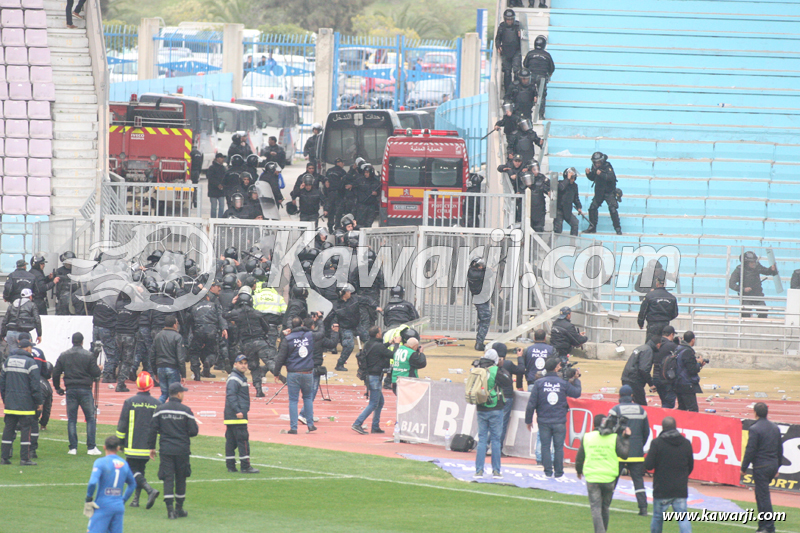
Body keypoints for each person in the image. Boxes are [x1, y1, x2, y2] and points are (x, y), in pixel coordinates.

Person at [147, 383, 198, 520]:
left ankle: (170, 510)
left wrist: (152, 447)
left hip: (166, 449)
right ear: (179, 394)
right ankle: (179, 508)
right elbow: (194, 431)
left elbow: (152, 430)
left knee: (168, 478)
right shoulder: (186, 410)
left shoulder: (160, 409)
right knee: (181, 478)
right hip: (182, 450)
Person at [525, 358, 581, 478]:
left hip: (544, 420)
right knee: (558, 447)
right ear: (556, 368)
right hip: (559, 420)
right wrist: (576, 379)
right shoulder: (563, 383)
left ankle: (548, 472)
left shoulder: (539, 383)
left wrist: (528, 420)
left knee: (545, 446)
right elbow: (576, 393)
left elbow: (531, 404)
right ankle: (559, 472)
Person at [575, 414, 632, 533]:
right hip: (609, 478)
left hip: (593, 477)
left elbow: (580, 457)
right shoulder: (613, 437)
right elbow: (624, 455)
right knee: (605, 507)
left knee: (595, 508)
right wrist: (626, 438)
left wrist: (579, 470)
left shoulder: (587, 437)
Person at [115, 371, 160, 509]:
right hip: (148, 446)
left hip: (132, 445)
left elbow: (122, 424)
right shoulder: (156, 403)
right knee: (140, 471)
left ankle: (149, 490)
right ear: (151, 385)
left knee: (131, 471)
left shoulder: (130, 402)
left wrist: (119, 442)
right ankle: (135, 500)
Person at [225, 292, 283, 397]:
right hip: (260, 341)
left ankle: (258, 390)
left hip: (246, 344)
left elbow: (224, 314)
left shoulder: (236, 313)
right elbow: (266, 327)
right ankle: (278, 373)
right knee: (269, 361)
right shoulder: (257, 313)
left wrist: (231, 304)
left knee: (254, 367)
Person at [53, 332, 102, 455]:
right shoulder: (88, 355)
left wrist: (58, 387)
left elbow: (56, 372)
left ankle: (73, 448)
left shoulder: (64, 355)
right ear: (82, 342)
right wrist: (99, 369)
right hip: (85, 389)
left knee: (72, 419)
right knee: (90, 418)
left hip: (70, 389)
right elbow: (96, 373)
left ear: (72, 341)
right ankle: (91, 447)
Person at [645, 416, 694, 533]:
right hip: (680, 487)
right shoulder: (686, 443)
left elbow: (648, 465)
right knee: (683, 518)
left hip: (662, 487)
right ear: (675, 427)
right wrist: (682, 477)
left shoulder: (657, 443)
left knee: (658, 517)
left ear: (663, 427)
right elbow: (690, 465)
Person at [0, 335, 43, 465]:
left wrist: (5, 399)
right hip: (26, 404)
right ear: (27, 348)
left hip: (10, 403)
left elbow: (2, 383)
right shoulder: (30, 362)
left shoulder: (8, 361)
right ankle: (25, 458)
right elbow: (35, 385)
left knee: (8, 430)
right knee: (26, 431)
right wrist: (39, 402)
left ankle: (4, 457)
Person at [741, 402, 783, 533]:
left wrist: (743, 467)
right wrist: (777, 466)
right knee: (761, 496)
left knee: (763, 497)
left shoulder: (755, 428)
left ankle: (768, 526)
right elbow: (780, 449)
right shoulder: (775, 428)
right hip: (772, 464)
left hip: (761, 466)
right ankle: (762, 525)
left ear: (755, 413)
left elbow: (750, 449)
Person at [609, 385, 650, 516]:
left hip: (619, 451)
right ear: (632, 395)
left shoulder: (615, 410)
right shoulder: (641, 410)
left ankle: (605, 505)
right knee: (638, 480)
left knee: (613, 479)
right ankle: (643, 508)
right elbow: (646, 432)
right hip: (637, 452)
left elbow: (609, 430)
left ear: (619, 396)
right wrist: (639, 445)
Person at [84, 436, 136, 533]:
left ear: (104, 447)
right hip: (118, 507)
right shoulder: (124, 463)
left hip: (103, 506)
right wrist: (123, 500)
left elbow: (92, 482)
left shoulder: (100, 462)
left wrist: (88, 499)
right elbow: (132, 484)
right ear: (118, 448)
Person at [274, 317, 317, 435]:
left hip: (293, 372)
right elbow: (321, 334)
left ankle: (294, 427)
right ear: (302, 324)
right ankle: (310, 424)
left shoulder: (288, 339)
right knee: (308, 398)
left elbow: (280, 357)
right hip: (308, 372)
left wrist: (276, 372)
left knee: (293, 400)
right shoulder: (310, 335)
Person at [472, 349, 511, 478]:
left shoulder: (478, 368)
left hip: (481, 407)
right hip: (495, 407)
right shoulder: (496, 370)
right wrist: (501, 366)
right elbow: (507, 382)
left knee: (482, 440)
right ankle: (496, 471)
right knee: (495, 440)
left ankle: (479, 470)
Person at [352, 326, 393, 435]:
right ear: (378, 334)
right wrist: (397, 344)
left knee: (380, 402)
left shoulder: (368, 344)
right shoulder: (378, 346)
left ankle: (375, 426)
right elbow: (392, 354)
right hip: (374, 377)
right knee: (374, 403)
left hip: (369, 376)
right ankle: (357, 423)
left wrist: (389, 343)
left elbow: (380, 348)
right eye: (380, 332)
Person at [224, 355, 259, 473]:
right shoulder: (235, 378)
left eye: (245, 363)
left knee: (231, 442)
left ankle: (230, 466)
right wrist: (238, 410)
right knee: (243, 440)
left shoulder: (237, 377)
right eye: (241, 363)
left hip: (230, 416)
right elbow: (231, 395)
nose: (243, 365)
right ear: (235, 364)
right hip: (237, 415)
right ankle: (245, 466)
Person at [186, 292, 228, 381]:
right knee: (213, 351)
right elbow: (221, 316)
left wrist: (192, 334)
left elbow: (189, 322)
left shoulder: (194, 307)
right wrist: (224, 328)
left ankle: (197, 374)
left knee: (194, 353)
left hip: (198, 332)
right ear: (208, 298)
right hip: (212, 331)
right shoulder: (214, 305)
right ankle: (208, 361)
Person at [729, 251, 778, 318]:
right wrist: (743, 289)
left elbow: (766, 271)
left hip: (757, 294)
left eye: (754, 261)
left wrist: (771, 269)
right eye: (751, 262)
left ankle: (760, 324)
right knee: (745, 313)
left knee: (763, 311)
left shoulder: (757, 266)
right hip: (745, 296)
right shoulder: (739, 270)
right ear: (746, 263)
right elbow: (731, 284)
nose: (754, 263)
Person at [584, 152, 621, 235]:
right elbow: (593, 177)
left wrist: (601, 174)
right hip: (599, 192)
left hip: (609, 192)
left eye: (598, 162)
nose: (597, 164)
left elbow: (611, 177)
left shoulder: (607, 166)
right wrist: (588, 174)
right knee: (592, 208)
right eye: (595, 162)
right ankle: (592, 227)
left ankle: (617, 228)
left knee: (612, 209)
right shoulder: (594, 167)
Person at [152, 315, 186, 404]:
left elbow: (152, 355)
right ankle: (173, 410)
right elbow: (180, 357)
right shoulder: (177, 337)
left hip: (160, 367)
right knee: (174, 395)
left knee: (164, 394)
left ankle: (158, 408)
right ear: (174, 325)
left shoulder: (158, 336)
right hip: (172, 367)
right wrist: (183, 374)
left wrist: (155, 371)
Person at [637, 275, 679, 344]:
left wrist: (640, 323)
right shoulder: (672, 297)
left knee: (650, 345)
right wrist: (666, 318)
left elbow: (643, 311)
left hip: (652, 325)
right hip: (665, 325)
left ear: (656, 284)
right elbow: (675, 313)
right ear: (665, 284)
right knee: (664, 345)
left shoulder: (649, 296)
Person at [621, 336, 660, 406]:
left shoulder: (641, 348)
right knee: (641, 404)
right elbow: (644, 369)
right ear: (658, 344)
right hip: (634, 380)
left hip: (627, 377)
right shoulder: (648, 350)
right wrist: (651, 384)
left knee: (627, 402)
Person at [523, 35, 555, 119]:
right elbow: (552, 68)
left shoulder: (530, 53)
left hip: (531, 76)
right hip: (542, 78)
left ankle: (527, 113)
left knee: (528, 93)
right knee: (542, 96)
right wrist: (548, 74)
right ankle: (541, 115)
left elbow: (525, 65)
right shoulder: (547, 55)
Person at [29, 346, 53, 458]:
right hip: (37, 406)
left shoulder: (30, 380)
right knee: (33, 421)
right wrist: (43, 424)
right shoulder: (47, 386)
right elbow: (47, 408)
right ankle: (32, 450)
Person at [332, 284, 362, 371]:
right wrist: (334, 324)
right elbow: (332, 317)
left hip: (357, 326)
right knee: (349, 345)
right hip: (345, 328)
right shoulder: (336, 305)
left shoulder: (355, 299)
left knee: (370, 341)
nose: (350, 293)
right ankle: (340, 364)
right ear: (342, 293)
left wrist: (375, 306)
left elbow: (366, 300)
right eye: (348, 291)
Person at [674, 331, 705, 412]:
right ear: (693, 340)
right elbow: (692, 369)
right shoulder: (687, 351)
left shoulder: (678, 349)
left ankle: (677, 420)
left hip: (678, 382)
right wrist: (699, 363)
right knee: (693, 409)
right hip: (686, 384)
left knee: (682, 408)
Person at [114, 292, 139, 393]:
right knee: (127, 361)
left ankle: (120, 380)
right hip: (129, 334)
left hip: (118, 334)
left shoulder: (118, 304)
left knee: (121, 359)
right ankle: (120, 383)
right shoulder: (135, 306)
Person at [390, 330, 427, 394]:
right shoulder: (411, 353)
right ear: (415, 346)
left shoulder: (398, 350)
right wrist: (421, 353)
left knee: (400, 399)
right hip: (406, 381)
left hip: (395, 380)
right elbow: (422, 363)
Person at [91, 295, 118, 383]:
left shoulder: (98, 298)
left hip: (96, 327)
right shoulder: (113, 301)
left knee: (94, 351)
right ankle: (108, 375)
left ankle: (91, 373)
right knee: (110, 353)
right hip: (107, 328)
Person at [495, 9, 522, 94]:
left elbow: (524, 39)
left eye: (511, 19)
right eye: (508, 19)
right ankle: (508, 93)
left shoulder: (518, 26)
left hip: (516, 51)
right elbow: (497, 39)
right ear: (505, 19)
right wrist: (498, 46)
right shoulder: (502, 27)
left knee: (517, 72)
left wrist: (521, 35)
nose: (509, 21)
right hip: (506, 52)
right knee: (507, 73)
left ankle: (517, 91)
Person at [468, 258, 492, 351]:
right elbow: (489, 273)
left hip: (483, 298)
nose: (482, 267)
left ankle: (479, 341)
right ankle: (479, 343)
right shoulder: (474, 273)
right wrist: (488, 268)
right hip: (480, 299)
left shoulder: (476, 271)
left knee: (483, 320)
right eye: (481, 265)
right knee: (485, 319)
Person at [652, 325, 677, 409]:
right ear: (671, 334)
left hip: (655, 377)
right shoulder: (672, 346)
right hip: (666, 378)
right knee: (668, 404)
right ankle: (665, 417)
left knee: (664, 401)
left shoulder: (656, 344)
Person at [554, 167, 583, 235]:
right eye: (571, 178)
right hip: (559, 210)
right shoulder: (560, 183)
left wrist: (579, 207)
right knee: (558, 230)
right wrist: (567, 179)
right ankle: (552, 241)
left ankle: (573, 241)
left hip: (567, 210)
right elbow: (561, 188)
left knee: (575, 223)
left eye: (574, 178)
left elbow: (576, 198)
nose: (573, 180)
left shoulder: (574, 186)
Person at [524, 162, 550, 232]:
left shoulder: (541, 178)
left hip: (539, 209)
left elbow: (548, 186)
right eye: (534, 169)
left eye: (537, 169)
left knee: (539, 229)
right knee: (528, 229)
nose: (536, 171)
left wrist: (548, 191)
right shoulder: (525, 177)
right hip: (529, 209)